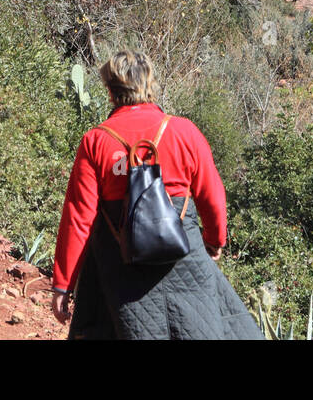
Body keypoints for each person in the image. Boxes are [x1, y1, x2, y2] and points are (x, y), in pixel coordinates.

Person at [50, 50, 261, 340]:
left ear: (111, 92)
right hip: (182, 253)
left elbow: (79, 218)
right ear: (150, 85)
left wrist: (63, 283)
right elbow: (212, 196)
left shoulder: (96, 141)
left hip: (121, 266)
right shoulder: (184, 131)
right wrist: (214, 241)